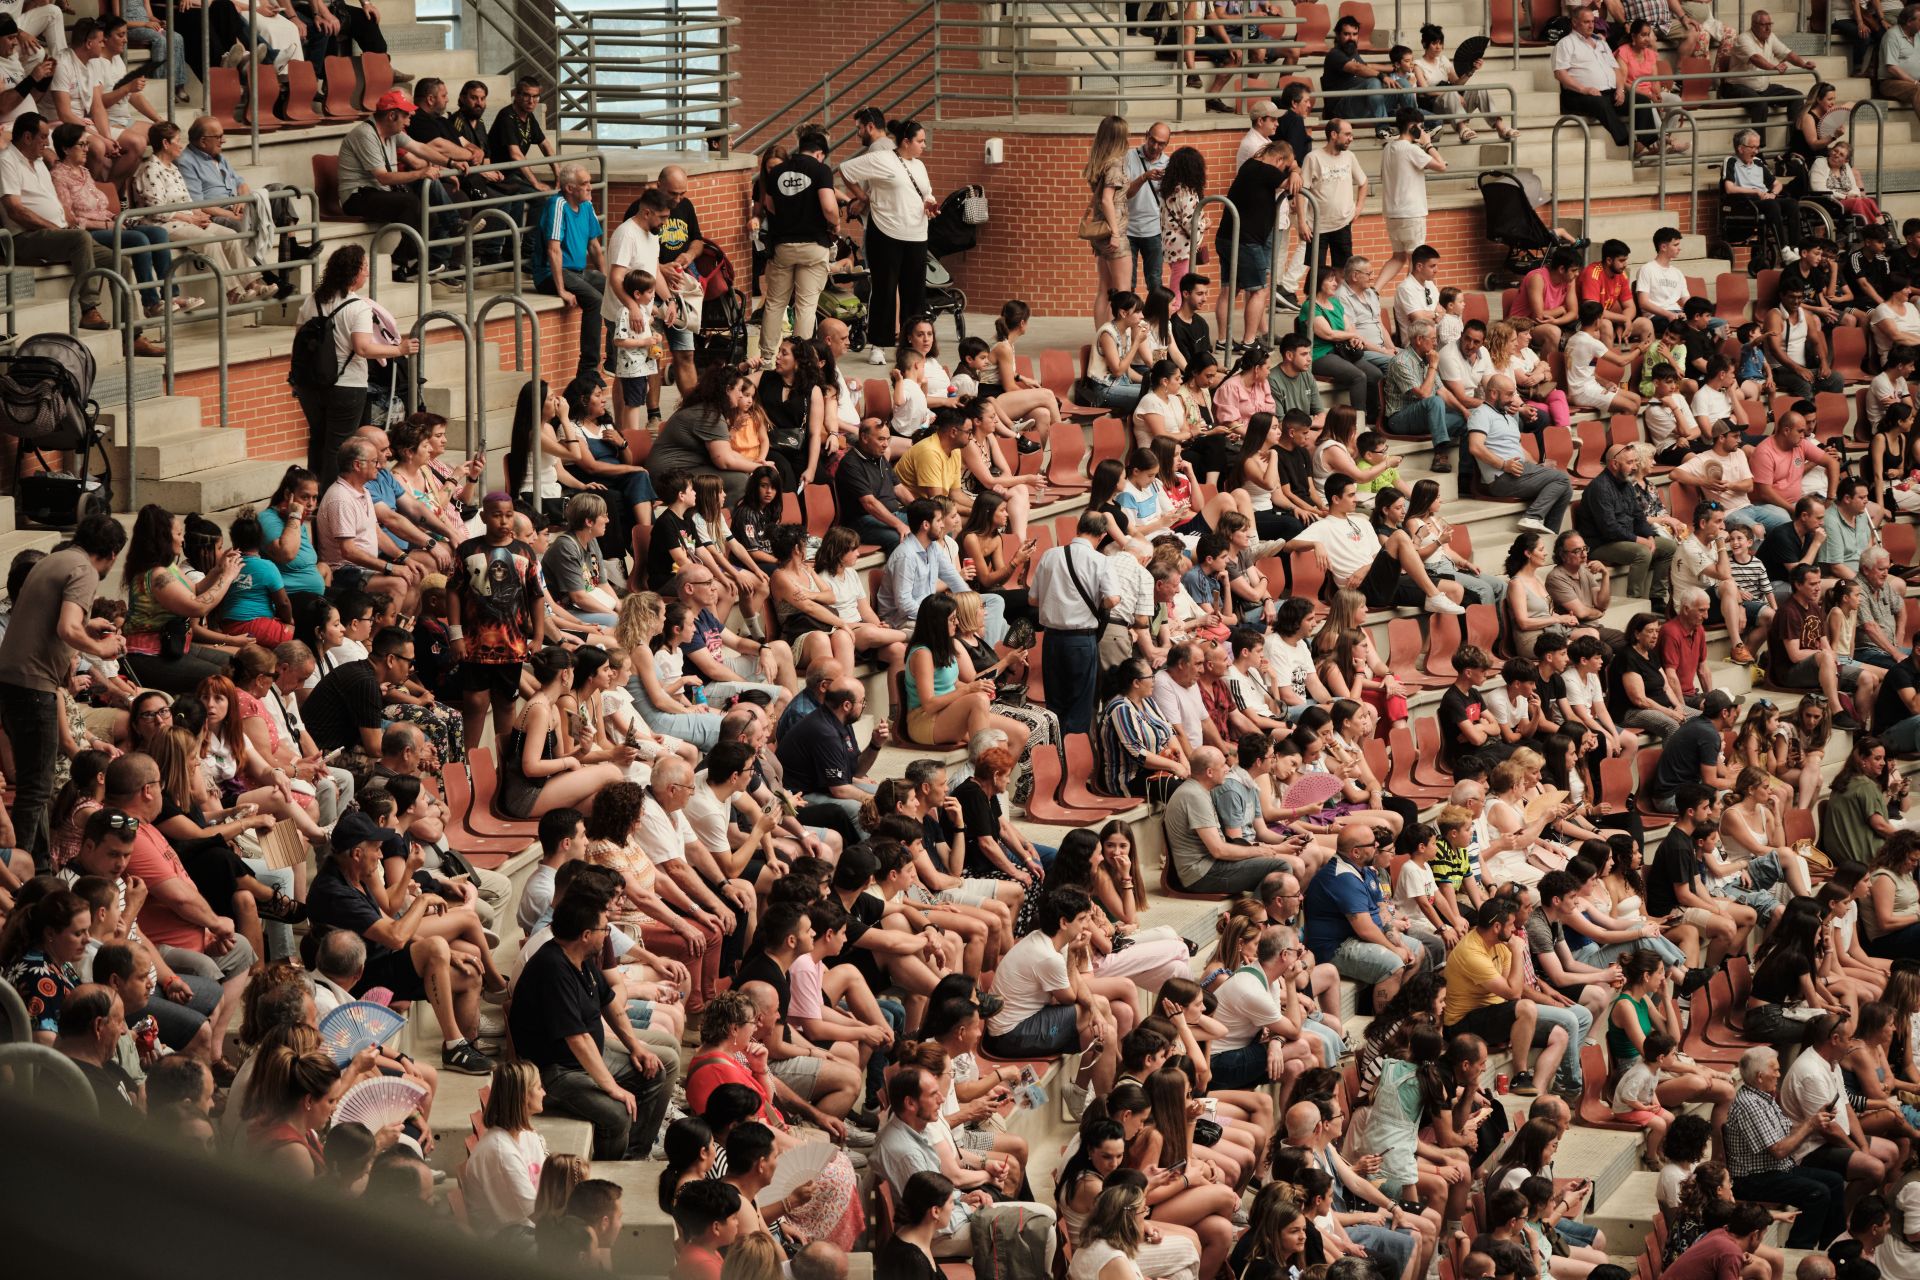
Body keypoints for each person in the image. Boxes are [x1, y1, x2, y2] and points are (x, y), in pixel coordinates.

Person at [508, 890, 675, 1160]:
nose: (606, 934)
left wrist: (636, 1048)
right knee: (616, 1114)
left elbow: (609, 1004)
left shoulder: (580, 960)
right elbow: (577, 1039)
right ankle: (610, 1170)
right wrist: (612, 1087)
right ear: (586, 935)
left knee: (661, 1063)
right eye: (603, 929)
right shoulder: (552, 968)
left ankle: (635, 1152)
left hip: (586, 1057)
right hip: (553, 1072)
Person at [0, 514, 126, 864]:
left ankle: (38, 866)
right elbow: (68, 628)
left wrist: (90, 623)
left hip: (13, 681)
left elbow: (57, 618)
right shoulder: (84, 570)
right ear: (112, 553)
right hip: (34, 684)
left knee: (32, 787)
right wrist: (102, 649)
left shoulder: (55, 558)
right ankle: (25, 871)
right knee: (36, 789)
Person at [875, 1063, 1059, 1268]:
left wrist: (963, 1197)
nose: (941, 1099)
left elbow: (934, 1192)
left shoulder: (913, 1127)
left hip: (948, 1216)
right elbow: (935, 1223)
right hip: (938, 1235)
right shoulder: (906, 1153)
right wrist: (968, 1209)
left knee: (1045, 1216)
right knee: (1043, 1228)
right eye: (933, 1094)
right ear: (910, 1103)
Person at [336, 91, 458, 284]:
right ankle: (398, 263)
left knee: (430, 216)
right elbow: (383, 178)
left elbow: (420, 148)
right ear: (392, 116)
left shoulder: (393, 132)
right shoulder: (365, 134)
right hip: (357, 196)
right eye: (406, 115)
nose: (410, 120)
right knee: (410, 203)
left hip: (378, 193)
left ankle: (417, 264)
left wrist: (451, 162)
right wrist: (421, 172)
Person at [839, 119, 934, 360]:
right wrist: (864, 196)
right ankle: (878, 345)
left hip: (917, 233)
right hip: (886, 233)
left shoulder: (920, 166)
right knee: (885, 289)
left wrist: (930, 203)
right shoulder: (882, 159)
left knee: (915, 292)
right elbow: (846, 169)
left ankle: (911, 344)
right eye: (920, 141)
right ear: (906, 142)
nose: (924, 145)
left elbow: (926, 192)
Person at [759, 128, 839, 356]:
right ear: (820, 153)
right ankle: (800, 358)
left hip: (783, 246)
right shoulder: (821, 170)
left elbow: (770, 206)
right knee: (806, 306)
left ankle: (767, 357)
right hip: (813, 246)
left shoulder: (777, 172)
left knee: (775, 303)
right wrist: (835, 223)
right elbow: (829, 207)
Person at [1468, 375, 1574, 533]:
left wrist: (1538, 467)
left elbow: (1519, 449)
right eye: (1509, 394)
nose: (1513, 399)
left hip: (1519, 472)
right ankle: (1532, 517)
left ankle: (1552, 538)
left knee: (1567, 489)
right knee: (1562, 479)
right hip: (1502, 478)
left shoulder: (1509, 416)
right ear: (1493, 393)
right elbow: (1475, 447)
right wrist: (1504, 465)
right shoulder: (1481, 414)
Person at [537, 163, 609, 379]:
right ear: (569, 188)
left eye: (589, 182)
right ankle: (588, 370)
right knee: (595, 300)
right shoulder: (557, 205)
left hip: (578, 272)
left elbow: (594, 246)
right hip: (551, 274)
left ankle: (614, 355)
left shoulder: (586, 206)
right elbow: (553, 250)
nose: (590, 187)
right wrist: (561, 290)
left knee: (613, 289)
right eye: (585, 183)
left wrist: (605, 276)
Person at [1721, 11, 1817, 143]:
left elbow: (1787, 54)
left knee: (1796, 97)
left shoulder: (1770, 37)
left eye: (1770, 24)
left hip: (1762, 88)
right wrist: (1773, 67)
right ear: (1754, 25)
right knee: (1760, 104)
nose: (1768, 28)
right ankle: (1758, 150)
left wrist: (1804, 64)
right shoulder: (1743, 38)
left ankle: (1795, 144)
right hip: (1735, 87)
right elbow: (1755, 58)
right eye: (1763, 25)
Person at [1379, 110, 1445, 293]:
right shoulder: (1411, 149)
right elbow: (1441, 166)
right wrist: (1428, 144)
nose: (1423, 131)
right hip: (1411, 213)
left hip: (1392, 213)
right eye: (1421, 127)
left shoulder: (1388, 148)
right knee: (1416, 261)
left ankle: (1374, 290)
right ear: (1412, 126)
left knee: (1398, 257)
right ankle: (1411, 298)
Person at [1555, 5, 1631, 147]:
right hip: (1577, 95)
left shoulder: (1601, 42)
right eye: (1586, 22)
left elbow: (1616, 68)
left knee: (1639, 99)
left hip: (1607, 93)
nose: (1591, 26)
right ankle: (1627, 141)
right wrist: (1584, 89)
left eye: (1593, 21)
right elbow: (1560, 73)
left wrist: (1620, 89)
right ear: (1574, 23)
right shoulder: (1565, 43)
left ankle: (1650, 141)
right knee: (1600, 102)